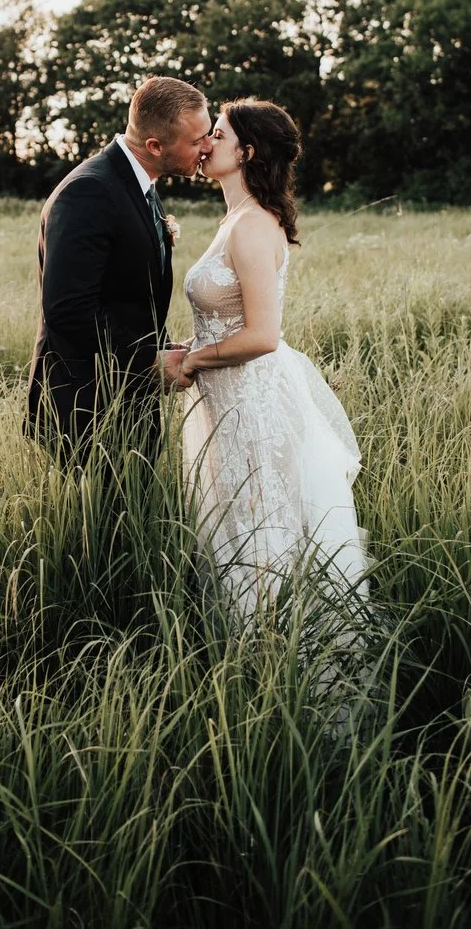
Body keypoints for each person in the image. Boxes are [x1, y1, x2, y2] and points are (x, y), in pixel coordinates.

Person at [178, 99, 368, 619]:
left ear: (247, 152)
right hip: (227, 400)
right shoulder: (234, 218)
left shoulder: (254, 225)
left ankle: (273, 662)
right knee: (237, 528)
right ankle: (248, 662)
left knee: (263, 533)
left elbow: (262, 335)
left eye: (217, 134)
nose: (205, 142)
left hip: (253, 404)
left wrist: (194, 360)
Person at [27, 76, 212, 462]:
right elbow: (68, 310)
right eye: (197, 141)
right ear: (155, 146)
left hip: (128, 396)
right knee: (100, 521)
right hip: (87, 407)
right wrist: (148, 360)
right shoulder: (89, 192)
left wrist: (160, 348)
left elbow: (125, 294)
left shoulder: (140, 184)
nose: (207, 147)